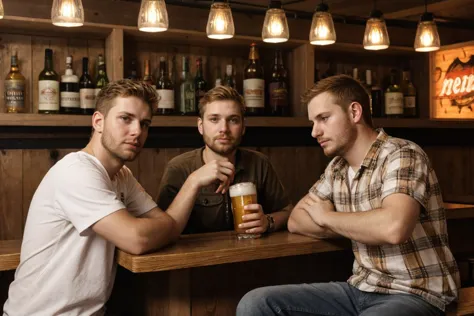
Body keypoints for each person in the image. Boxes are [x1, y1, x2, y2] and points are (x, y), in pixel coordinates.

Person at [3, 80, 234, 316]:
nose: (137, 131)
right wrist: (193, 182)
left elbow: (167, 225)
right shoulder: (75, 171)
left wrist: (167, 223)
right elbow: (138, 238)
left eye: (144, 124)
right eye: (126, 118)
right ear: (98, 122)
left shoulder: (122, 175)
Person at [237, 75, 460, 316]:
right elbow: (297, 219)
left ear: (354, 112)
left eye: (323, 118)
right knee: (256, 303)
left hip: (416, 293)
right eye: (313, 122)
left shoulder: (402, 154)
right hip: (360, 289)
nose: (314, 132)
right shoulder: (337, 168)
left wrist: (328, 217)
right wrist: (363, 224)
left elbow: (394, 228)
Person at [157, 86, 292, 235]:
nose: (224, 129)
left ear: (243, 127)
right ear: (201, 126)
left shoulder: (259, 163)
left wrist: (268, 221)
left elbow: (286, 212)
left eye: (233, 120)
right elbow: (161, 228)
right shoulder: (178, 168)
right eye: (214, 119)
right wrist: (194, 180)